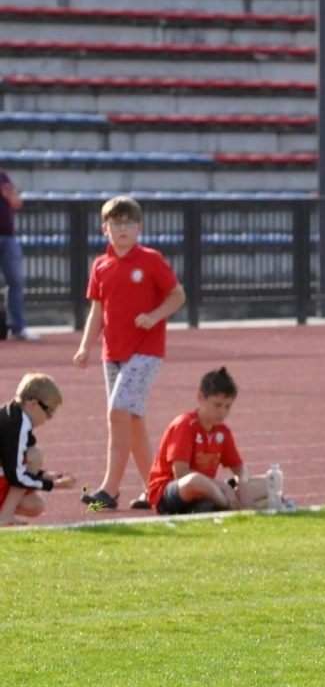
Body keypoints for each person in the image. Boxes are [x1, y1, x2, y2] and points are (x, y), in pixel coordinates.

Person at [72, 196, 186, 510]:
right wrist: (85, 347)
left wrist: (155, 315)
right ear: (105, 228)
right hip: (113, 353)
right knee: (132, 420)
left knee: (117, 412)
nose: (122, 229)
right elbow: (97, 311)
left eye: (128, 223)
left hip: (146, 351)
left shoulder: (151, 260)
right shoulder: (101, 265)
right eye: (116, 223)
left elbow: (177, 295)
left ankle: (109, 489)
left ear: (140, 227)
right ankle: (155, 488)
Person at [145, 366, 272, 515]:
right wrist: (224, 488)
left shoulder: (222, 431)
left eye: (227, 406)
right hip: (171, 492)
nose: (222, 412)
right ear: (201, 398)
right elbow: (180, 472)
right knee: (195, 480)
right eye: (217, 405)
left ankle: (217, 503)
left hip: (209, 489)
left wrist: (243, 484)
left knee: (270, 482)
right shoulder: (184, 425)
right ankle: (228, 504)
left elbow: (240, 468)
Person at [1, 373, 75, 525]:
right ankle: (4, 517)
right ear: (33, 403)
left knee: (35, 505)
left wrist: (44, 475)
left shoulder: (13, 415)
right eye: (49, 412)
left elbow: (11, 461)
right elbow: (17, 475)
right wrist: (54, 485)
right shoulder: (16, 426)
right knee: (35, 456)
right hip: (10, 474)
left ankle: (4, 514)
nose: (48, 418)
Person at [0, 164, 37, 341]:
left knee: (16, 282)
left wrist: (10, 195)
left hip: (8, 238)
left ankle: (18, 326)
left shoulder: (3, 177)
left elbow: (17, 203)